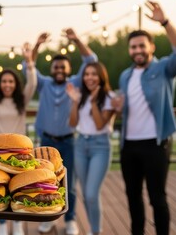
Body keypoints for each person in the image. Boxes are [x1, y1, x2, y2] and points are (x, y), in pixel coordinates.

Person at [112, 0, 176, 235]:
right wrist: (119, 107)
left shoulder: (165, 69)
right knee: (133, 197)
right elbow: (127, 106)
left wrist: (165, 22)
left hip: (156, 145)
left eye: (141, 46)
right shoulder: (125, 76)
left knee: (157, 198)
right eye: (133, 47)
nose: (137, 51)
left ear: (151, 47)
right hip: (129, 146)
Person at [26, 29, 97, 235]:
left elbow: (92, 59)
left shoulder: (75, 83)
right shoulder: (44, 84)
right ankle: (48, 217)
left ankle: (70, 219)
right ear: (52, 69)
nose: (59, 70)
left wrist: (76, 40)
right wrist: (37, 45)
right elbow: (28, 68)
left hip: (69, 141)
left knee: (70, 183)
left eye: (62, 67)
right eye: (56, 67)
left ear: (68, 69)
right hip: (47, 142)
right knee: (45, 180)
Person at [0, 40, 37, 235]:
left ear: (15, 84)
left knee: (20, 189)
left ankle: (18, 224)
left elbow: (33, 83)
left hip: (19, 155)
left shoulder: (22, 100)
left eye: (11, 81)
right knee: (1, 188)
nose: (7, 84)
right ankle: (3, 224)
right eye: (4, 81)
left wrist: (29, 62)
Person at [66, 62, 115, 235]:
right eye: (86, 74)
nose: (89, 78)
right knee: (86, 195)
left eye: (94, 74)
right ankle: (93, 229)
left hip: (100, 146)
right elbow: (72, 123)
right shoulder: (82, 96)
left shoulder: (109, 97)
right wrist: (74, 102)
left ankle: (95, 231)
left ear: (101, 77)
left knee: (92, 193)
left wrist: (94, 101)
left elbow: (100, 123)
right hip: (80, 145)